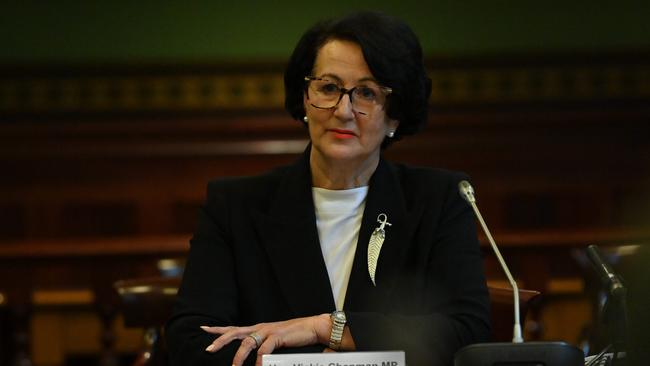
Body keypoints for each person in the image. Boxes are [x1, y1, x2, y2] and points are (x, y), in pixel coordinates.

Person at [166, 11, 490, 366]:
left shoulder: (439, 199)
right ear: (305, 98)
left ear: (395, 114)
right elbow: (192, 339)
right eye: (329, 88)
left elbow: (467, 332)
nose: (343, 110)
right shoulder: (235, 206)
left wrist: (326, 328)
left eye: (366, 92)